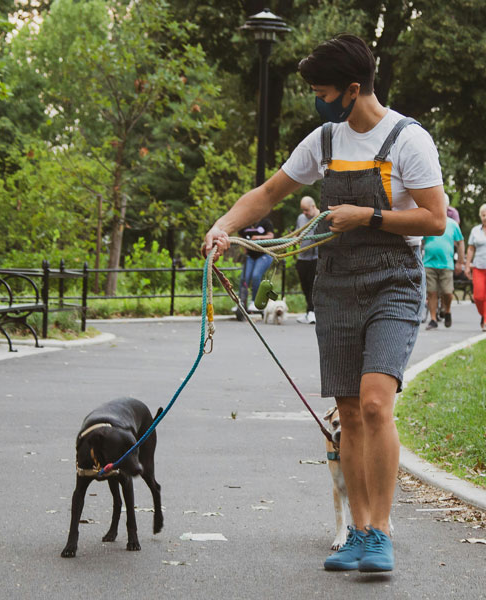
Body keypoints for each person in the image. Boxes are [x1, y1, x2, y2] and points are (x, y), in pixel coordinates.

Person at [202, 35, 445, 573]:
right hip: (335, 285)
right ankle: (357, 531)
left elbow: (434, 217)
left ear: (352, 89)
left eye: (321, 90)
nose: (315, 98)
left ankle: (381, 531)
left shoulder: (408, 140)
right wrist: (223, 228)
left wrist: (367, 216)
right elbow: (267, 194)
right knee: (350, 414)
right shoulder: (325, 139)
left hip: (394, 281)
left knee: (377, 403)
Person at [423, 215, 464, 329]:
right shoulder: (427, 222)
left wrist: (460, 262)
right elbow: (420, 241)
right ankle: (433, 319)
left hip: (447, 263)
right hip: (428, 263)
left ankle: (447, 311)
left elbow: (460, 242)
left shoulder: (452, 224)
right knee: (431, 292)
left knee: (447, 292)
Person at [236, 216, 274, 319]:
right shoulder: (246, 223)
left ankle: (254, 301)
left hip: (264, 254)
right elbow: (240, 235)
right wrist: (244, 247)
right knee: (245, 278)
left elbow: (271, 236)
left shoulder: (265, 222)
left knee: (256, 276)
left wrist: (258, 237)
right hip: (250, 256)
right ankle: (241, 302)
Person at [295, 196, 320, 324]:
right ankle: (308, 311)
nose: (304, 212)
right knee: (304, 285)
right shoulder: (301, 218)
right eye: (303, 210)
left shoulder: (320, 217)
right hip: (302, 256)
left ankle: (313, 311)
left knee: (313, 285)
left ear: (313, 206)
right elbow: (297, 233)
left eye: (306, 210)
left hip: (315, 256)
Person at [464, 203, 486, 331]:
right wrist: (467, 266)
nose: (485, 217)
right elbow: (471, 249)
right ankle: (483, 315)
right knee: (478, 296)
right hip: (478, 267)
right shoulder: (475, 231)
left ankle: (485, 320)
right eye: (483, 215)